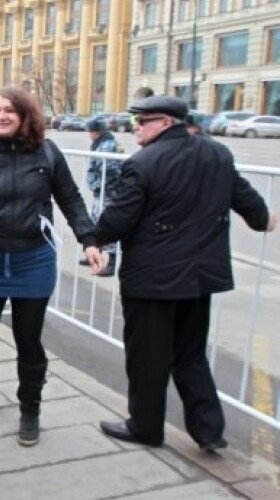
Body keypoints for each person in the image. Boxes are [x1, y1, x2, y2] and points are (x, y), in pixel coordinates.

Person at [94, 95, 277, 452]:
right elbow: (251, 207)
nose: (135, 130)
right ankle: (209, 430)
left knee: (148, 356)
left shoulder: (143, 163)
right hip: (198, 280)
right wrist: (262, 219)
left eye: (141, 123)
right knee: (190, 354)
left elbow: (116, 221)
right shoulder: (217, 155)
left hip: (152, 281)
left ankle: (145, 427)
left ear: (165, 122)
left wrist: (94, 237)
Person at [0, 87, 103, 447]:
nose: (1, 116)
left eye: (9, 111)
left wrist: (90, 240)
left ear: (25, 117)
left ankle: (30, 409)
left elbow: (70, 198)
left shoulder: (47, 153)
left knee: (29, 340)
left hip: (32, 259)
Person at [82, 116, 124, 276]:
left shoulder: (106, 146)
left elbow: (111, 170)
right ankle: (95, 254)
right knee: (95, 223)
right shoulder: (103, 143)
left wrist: (100, 185)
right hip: (102, 193)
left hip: (109, 193)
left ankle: (111, 263)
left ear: (95, 131)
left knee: (107, 225)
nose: (88, 134)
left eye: (90, 131)